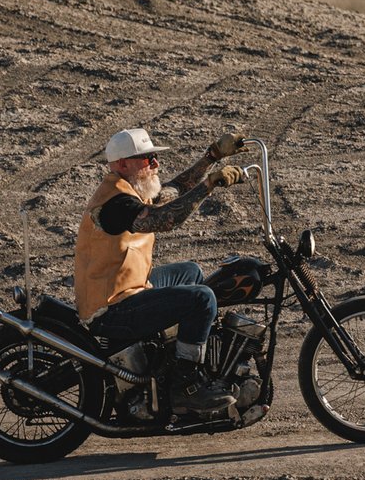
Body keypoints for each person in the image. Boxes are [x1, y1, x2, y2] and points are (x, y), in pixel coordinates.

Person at [76, 125, 248, 416]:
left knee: (190, 272)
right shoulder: (115, 204)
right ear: (123, 164)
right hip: (111, 308)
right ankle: (186, 387)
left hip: (126, 287)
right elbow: (166, 219)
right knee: (202, 299)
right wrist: (210, 185)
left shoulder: (131, 188)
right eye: (147, 159)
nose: (155, 163)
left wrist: (212, 156)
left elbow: (174, 191)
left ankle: (172, 359)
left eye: (154, 157)